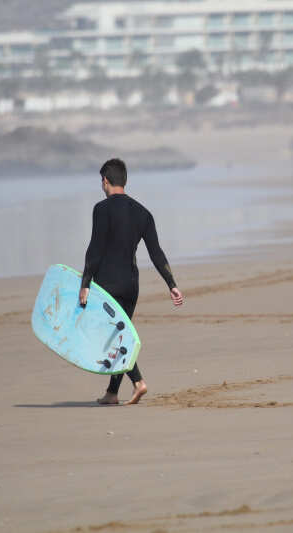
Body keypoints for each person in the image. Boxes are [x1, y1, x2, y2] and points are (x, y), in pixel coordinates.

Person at [80, 158, 184, 405]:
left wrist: (85, 283)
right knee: (119, 333)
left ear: (105, 181)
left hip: (108, 286)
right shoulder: (142, 213)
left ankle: (138, 381)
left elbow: (95, 250)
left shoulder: (101, 209)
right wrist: (171, 284)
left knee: (113, 338)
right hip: (131, 286)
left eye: (102, 182)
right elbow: (156, 253)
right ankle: (112, 393)